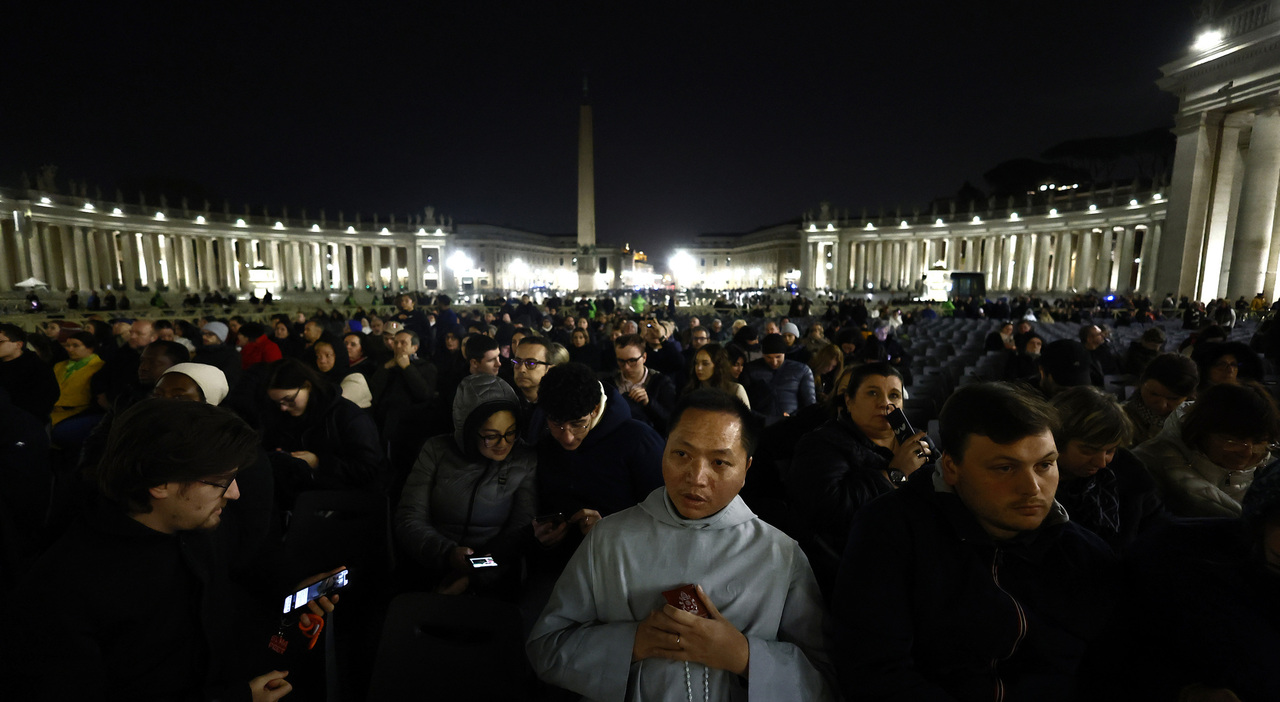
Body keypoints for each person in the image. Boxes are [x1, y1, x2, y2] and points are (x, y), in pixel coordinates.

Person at [2, 400, 339, 700]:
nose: (235, 494)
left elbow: (245, 567)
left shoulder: (198, 525)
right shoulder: (64, 589)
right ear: (160, 483)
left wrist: (292, 588)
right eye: (222, 481)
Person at [527, 390, 835, 701]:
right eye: (682, 455)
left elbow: (824, 680)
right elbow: (547, 647)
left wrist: (744, 657)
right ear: (664, 450)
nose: (697, 477)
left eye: (719, 461)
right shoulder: (609, 538)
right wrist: (632, 643)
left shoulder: (780, 554)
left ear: (746, 469)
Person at [830, 382, 1117, 701]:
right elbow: (873, 671)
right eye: (1005, 468)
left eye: (1044, 465)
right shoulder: (891, 530)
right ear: (952, 468)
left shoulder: (1083, 553)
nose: (1032, 488)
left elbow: (1111, 669)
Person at [395, 374, 536, 596]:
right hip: (432, 564)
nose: (504, 444)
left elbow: (520, 531)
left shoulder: (523, 459)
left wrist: (473, 575)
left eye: (511, 433)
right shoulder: (436, 451)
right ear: (468, 430)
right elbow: (410, 517)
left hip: (494, 573)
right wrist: (447, 554)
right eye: (491, 436)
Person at [787, 362, 930, 563]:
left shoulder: (917, 441)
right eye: (873, 393)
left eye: (894, 395)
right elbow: (831, 512)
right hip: (860, 558)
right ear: (849, 401)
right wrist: (895, 473)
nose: (885, 403)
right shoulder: (820, 444)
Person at [1133, 382, 1280, 518]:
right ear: (1200, 434)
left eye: (1258, 442)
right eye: (1233, 442)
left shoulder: (1271, 475)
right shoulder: (1146, 466)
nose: (1247, 453)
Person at [1049, 386, 1166, 551]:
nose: (1102, 463)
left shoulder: (1127, 470)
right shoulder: (1036, 486)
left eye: (1110, 451)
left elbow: (1157, 523)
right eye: (1088, 450)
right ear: (1055, 442)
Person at [261, 359, 387, 509]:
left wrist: (318, 462)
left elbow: (368, 471)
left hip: (342, 502)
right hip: (296, 495)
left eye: (289, 399)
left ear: (307, 386)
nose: (283, 407)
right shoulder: (280, 414)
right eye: (277, 402)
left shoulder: (348, 417)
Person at [1122, 353, 1198, 447]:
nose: (1162, 405)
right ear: (1142, 383)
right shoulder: (1121, 418)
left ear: (1188, 396)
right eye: (1154, 394)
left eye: (1173, 398)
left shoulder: (1195, 423)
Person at [610, 333, 678, 433]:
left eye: (632, 360)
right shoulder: (610, 383)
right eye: (621, 361)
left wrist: (649, 403)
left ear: (644, 357)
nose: (626, 367)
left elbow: (671, 421)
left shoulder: (661, 382)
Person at [743, 333, 815, 425]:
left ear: (784, 354)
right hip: (761, 425)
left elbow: (810, 406)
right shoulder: (750, 370)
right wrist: (768, 420)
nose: (774, 362)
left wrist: (793, 417)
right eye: (769, 357)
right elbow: (744, 405)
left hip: (794, 424)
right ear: (763, 354)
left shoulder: (801, 370)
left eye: (778, 357)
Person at [50, 330, 107, 445]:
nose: (69, 349)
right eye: (67, 345)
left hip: (79, 411)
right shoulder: (59, 366)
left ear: (90, 348)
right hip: (52, 409)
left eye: (75, 346)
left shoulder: (100, 367)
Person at [0, 323, 60, 424]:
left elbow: (47, 399)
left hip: (25, 423)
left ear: (18, 344)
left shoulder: (37, 368)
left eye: (0, 342)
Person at [682, 342, 750, 409]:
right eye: (696, 363)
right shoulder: (691, 390)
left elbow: (746, 418)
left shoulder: (735, 391)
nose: (699, 368)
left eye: (705, 364)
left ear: (718, 365)